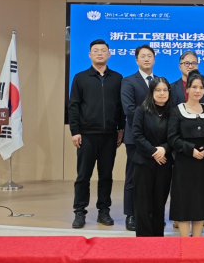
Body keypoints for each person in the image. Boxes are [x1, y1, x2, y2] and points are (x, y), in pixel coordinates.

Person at [69, 39, 125, 229]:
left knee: (106, 175)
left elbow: (120, 107)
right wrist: (75, 131)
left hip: (109, 135)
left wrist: (121, 129)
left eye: (103, 50)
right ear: (90, 54)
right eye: (96, 50)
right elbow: (74, 106)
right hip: (86, 135)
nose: (100, 53)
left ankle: (104, 211)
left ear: (109, 54)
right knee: (83, 175)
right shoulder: (80, 78)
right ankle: (79, 212)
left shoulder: (117, 78)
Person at [167, 70, 204, 237]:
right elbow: (172, 137)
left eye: (201, 87)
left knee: (200, 200)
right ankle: (185, 240)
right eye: (194, 87)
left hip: (203, 163)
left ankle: (197, 240)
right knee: (183, 200)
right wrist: (190, 150)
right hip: (184, 162)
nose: (197, 90)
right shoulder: (177, 110)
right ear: (187, 89)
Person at [120, 44, 156, 231]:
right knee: (133, 176)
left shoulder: (159, 81)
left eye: (150, 56)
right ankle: (131, 214)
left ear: (154, 59)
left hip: (156, 139)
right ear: (136, 60)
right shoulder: (128, 81)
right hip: (135, 137)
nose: (146, 59)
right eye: (143, 56)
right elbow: (129, 110)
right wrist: (153, 120)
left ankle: (149, 213)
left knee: (153, 178)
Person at [132, 77, 173, 237]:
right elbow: (137, 135)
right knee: (143, 204)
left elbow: (175, 136)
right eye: (158, 90)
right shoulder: (141, 110)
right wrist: (153, 152)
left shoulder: (173, 112)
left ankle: (158, 239)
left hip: (164, 163)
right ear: (151, 92)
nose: (162, 93)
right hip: (144, 163)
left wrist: (164, 148)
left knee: (159, 204)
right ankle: (143, 241)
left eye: (165, 90)